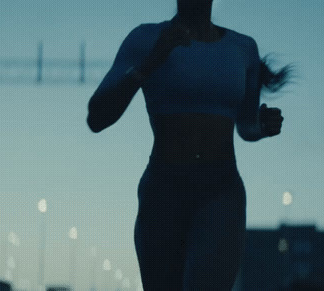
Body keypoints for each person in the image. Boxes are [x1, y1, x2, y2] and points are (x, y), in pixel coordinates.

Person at [87, 0, 291, 289]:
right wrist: (150, 62)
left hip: (220, 191)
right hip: (163, 189)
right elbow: (97, 117)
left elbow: (245, 125)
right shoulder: (146, 38)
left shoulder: (243, 48)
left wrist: (262, 125)